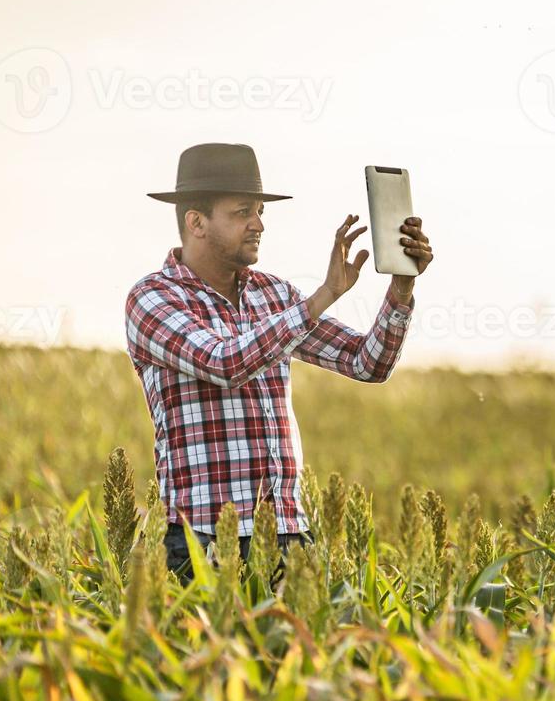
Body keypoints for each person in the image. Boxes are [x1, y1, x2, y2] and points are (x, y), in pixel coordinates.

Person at [124, 143, 433, 583]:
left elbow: (367, 363)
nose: (258, 224)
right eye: (243, 212)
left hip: (288, 536)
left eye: (260, 211)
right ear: (196, 222)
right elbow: (224, 362)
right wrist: (323, 296)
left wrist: (401, 289)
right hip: (200, 543)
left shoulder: (275, 296)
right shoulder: (153, 298)